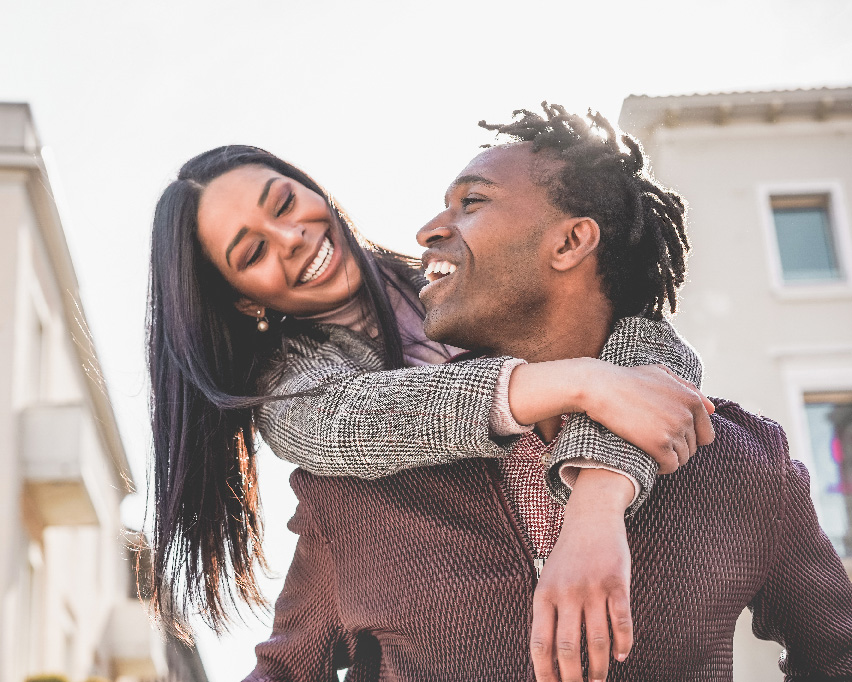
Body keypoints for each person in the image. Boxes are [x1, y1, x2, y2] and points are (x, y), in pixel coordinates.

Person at [243, 105, 852, 682]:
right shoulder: (350, 491)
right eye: (249, 253)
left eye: (471, 203)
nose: (428, 230)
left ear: (569, 242)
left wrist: (602, 489)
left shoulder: (740, 462)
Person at [147, 143, 713, 656]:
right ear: (245, 302)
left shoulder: (464, 272)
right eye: (253, 254)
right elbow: (360, 419)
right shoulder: (290, 396)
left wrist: (599, 497)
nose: (292, 236)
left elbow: (649, 353)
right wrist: (582, 382)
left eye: (285, 203)